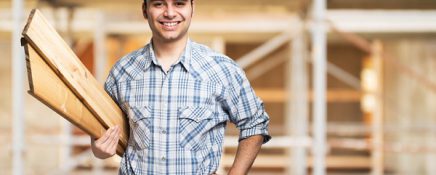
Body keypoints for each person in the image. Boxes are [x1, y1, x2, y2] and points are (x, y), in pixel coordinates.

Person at [90, 0, 271, 174]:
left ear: (192, 8)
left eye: (179, 3)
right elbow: (100, 134)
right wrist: (99, 150)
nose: (169, 13)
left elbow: (255, 123)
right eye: (159, 4)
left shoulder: (221, 69)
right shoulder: (122, 72)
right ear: (145, 9)